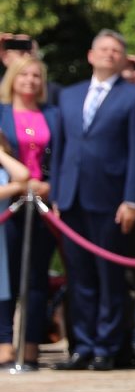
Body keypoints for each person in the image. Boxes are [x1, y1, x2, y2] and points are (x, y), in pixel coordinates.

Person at [50, 30, 135, 370]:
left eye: (116, 50)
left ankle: (108, 347)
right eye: (103, 49)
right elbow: (61, 149)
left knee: (111, 278)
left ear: (123, 59)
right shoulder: (68, 95)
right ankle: (82, 345)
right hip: (72, 199)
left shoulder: (134, 97)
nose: (109, 54)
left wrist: (133, 200)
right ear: (91, 55)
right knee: (79, 278)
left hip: (112, 201)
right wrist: (57, 194)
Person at [1, 56, 60, 371]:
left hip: (42, 204)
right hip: (9, 203)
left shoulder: (52, 114)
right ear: (13, 78)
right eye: (24, 75)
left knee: (38, 278)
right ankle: (5, 345)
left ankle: (32, 346)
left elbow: (63, 155)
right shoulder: (2, 112)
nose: (30, 81)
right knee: (5, 278)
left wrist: (52, 187)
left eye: (37, 75)